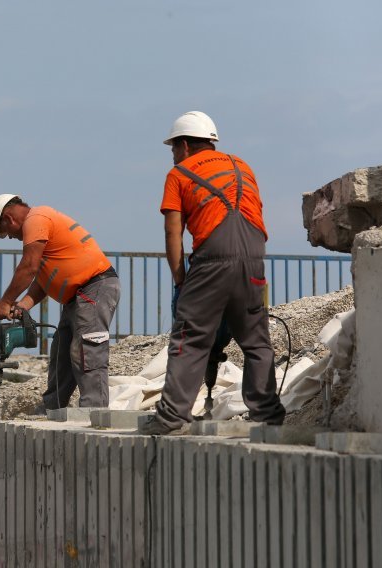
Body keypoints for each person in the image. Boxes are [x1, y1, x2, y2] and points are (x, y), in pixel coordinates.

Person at [140, 111, 286, 435]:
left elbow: (172, 233)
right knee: (256, 338)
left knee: (189, 338)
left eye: (174, 149)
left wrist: (181, 279)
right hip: (254, 257)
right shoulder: (242, 166)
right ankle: (268, 414)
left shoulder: (179, 174)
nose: (174, 156)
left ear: (185, 145)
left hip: (213, 258)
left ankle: (170, 417)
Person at [0, 194, 121, 411]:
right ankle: (51, 410)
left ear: (8, 219)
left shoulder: (37, 218)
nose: (11, 238)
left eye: (6, 234)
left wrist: (5, 301)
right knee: (62, 353)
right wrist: (23, 305)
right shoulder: (40, 232)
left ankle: (94, 414)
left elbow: (28, 267)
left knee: (87, 350)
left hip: (94, 287)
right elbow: (42, 280)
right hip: (76, 298)